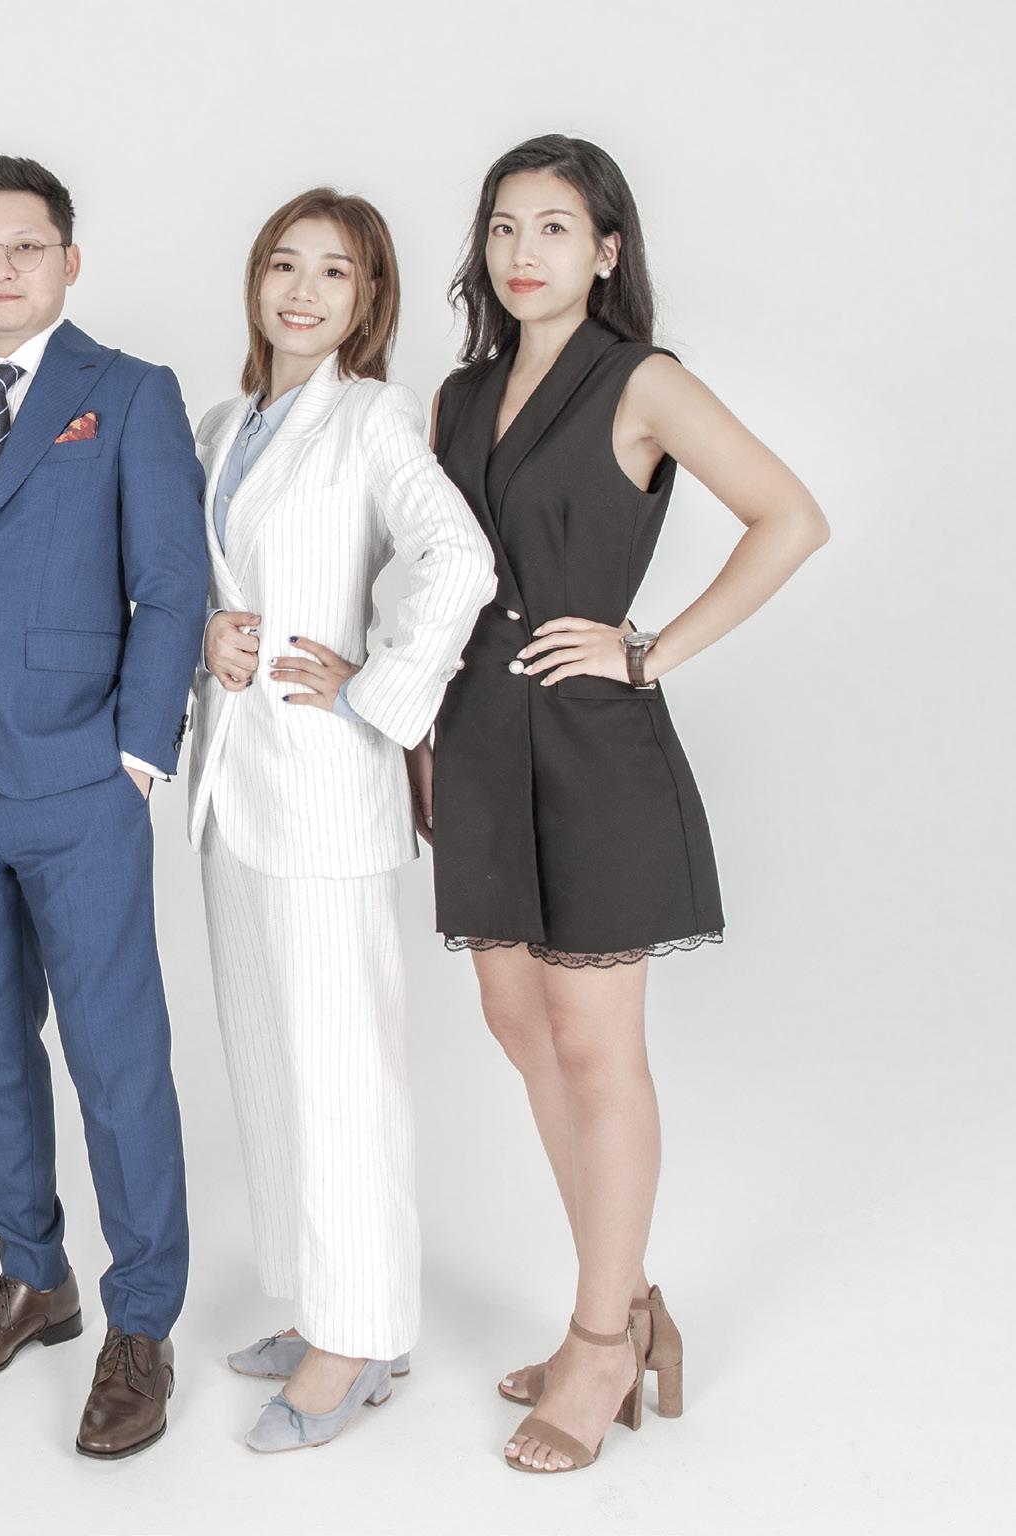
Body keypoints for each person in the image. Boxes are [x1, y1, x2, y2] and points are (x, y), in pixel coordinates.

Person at [425, 134, 828, 1473]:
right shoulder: (458, 393)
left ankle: (600, 1341)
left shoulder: (641, 379)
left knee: (597, 1049)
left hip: (591, 744)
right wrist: (419, 737)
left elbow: (789, 518)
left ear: (606, 250)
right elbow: (435, 576)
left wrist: (646, 650)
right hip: (475, 738)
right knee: (515, 1023)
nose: (521, 250)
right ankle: (627, 1295)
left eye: (553, 226)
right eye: (502, 226)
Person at [0, 155, 207, 1460]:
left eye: (26, 246)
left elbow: (172, 583)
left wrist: (135, 753)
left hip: (83, 779)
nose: (1, 268)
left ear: (69, 262)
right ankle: (33, 1273)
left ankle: (142, 1321)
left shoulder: (127, 393)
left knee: (116, 1057)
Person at [187, 189, 494, 1452]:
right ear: (254, 280)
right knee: (268, 1059)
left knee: (340, 1072)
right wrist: (207, 641)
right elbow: (206, 583)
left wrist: (378, 692)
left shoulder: (370, 417)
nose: (302, 290)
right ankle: (328, 1302)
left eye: (334, 272)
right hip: (230, 787)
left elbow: (457, 560)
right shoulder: (221, 425)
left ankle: (360, 1339)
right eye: (283, 263)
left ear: (369, 301)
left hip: (321, 790)